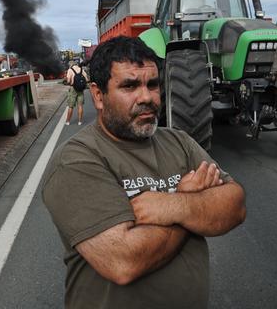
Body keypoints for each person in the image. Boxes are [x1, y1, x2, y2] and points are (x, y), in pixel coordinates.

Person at [42, 36, 246, 309]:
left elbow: (235, 205)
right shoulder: (77, 160)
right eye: (130, 86)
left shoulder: (179, 142)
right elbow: (123, 261)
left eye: (153, 84)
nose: (147, 97)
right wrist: (193, 203)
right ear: (98, 96)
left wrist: (174, 205)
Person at [64, 61, 89, 125]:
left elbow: (68, 81)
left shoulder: (70, 70)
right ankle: (80, 121)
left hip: (73, 89)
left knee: (71, 106)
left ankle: (68, 121)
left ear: (70, 65)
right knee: (80, 105)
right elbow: (87, 79)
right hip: (80, 89)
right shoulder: (81, 69)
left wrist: (68, 81)